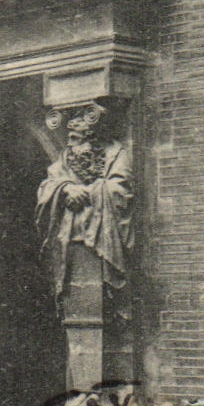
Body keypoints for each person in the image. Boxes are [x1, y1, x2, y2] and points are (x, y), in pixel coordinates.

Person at [36, 102, 132, 317]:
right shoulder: (66, 157)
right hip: (71, 237)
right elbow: (50, 183)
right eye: (70, 139)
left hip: (100, 238)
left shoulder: (116, 154)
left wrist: (87, 193)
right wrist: (66, 188)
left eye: (76, 138)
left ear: (92, 137)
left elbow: (120, 188)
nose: (71, 144)